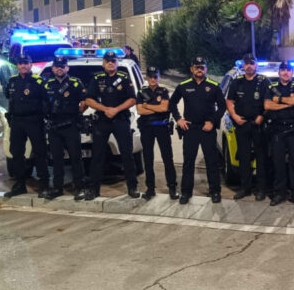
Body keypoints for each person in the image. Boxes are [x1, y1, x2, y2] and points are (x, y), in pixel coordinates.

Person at [80, 51, 138, 200]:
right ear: (104, 63)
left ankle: (132, 187)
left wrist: (116, 110)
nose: (111, 63)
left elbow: (132, 99)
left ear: (117, 63)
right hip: (103, 120)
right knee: (98, 155)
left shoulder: (124, 79)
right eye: (108, 61)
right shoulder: (97, 78)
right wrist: (105, 109)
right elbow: (88, 100)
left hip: (120, 119)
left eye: (113, 60)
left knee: (127, 154)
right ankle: (94, 189)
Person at [169, 57, 225, 204]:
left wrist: (212, 122)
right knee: (188, 161)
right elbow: (172, 103)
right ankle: (186, 192)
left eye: (202, 67)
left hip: (207, 129)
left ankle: (215, 191)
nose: (199, 69)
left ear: (206, 69)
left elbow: (222, 106)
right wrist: (178, 119)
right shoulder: (183, 86)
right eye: (197, 67)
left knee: (211, 162)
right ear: (192, 69)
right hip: (190, 129)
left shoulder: (214, 86)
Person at [226, 53, 271, 201]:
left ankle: (261, 189)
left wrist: (262, 116)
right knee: (244, 158)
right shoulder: (237, 82)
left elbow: (269, 102)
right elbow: (229, 101)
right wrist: (235, 116)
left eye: (252, 63)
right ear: (243, 66)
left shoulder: (263, 81)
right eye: (247, 63)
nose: (249, 65)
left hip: (259, 125)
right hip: (242, 124)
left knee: (261, 157)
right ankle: (245, 188)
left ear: (256, 65)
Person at [4, 55, 50, 198]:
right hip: (17, 121)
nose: (23, 66)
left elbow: (46, 101)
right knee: (16, 153)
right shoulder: (12, 81)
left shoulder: (38, 81)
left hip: (34, 120)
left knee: (39, 152)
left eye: (26, 63)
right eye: (20, 63)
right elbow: (9, 99)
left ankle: (44, 185)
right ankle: (20, 184)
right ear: (17, 66)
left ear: (30, 65)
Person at [43, 56, 88, 200]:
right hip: (54, 127)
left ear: (67, 68)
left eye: (62, 66)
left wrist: (79, 112)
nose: (59, 68)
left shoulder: (75, 83)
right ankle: (57, 187)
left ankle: (79, 187)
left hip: (71, 126)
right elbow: (41, 103)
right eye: (57, 66)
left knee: (76, 158)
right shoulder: (47, 84)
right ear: (53, 68)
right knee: (56, 159)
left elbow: (85, 100)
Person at [264, 61, 294, 206]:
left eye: (288, 70)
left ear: (292, 73)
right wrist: (290, 102)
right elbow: (268, 105)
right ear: (279, 72)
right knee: (278, 163)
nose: (285, 72)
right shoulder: (271, 87)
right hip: (277, 130)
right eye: (283, 70)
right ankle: (279, 193)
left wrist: (280, 101)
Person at [137, 66, 179, 200]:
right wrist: (156, 108)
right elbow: (140, 111)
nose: (153, 79)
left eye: (155, 76)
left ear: (159, 77)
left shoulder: (164, 91)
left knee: (168, 158)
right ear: (147, 78)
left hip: (162, 127)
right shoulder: (141, 91)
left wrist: (147, 105)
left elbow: (164, 108)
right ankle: (150, 188)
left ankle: (172, 187)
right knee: (148, 159)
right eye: (150, 77)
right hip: (147, 128)